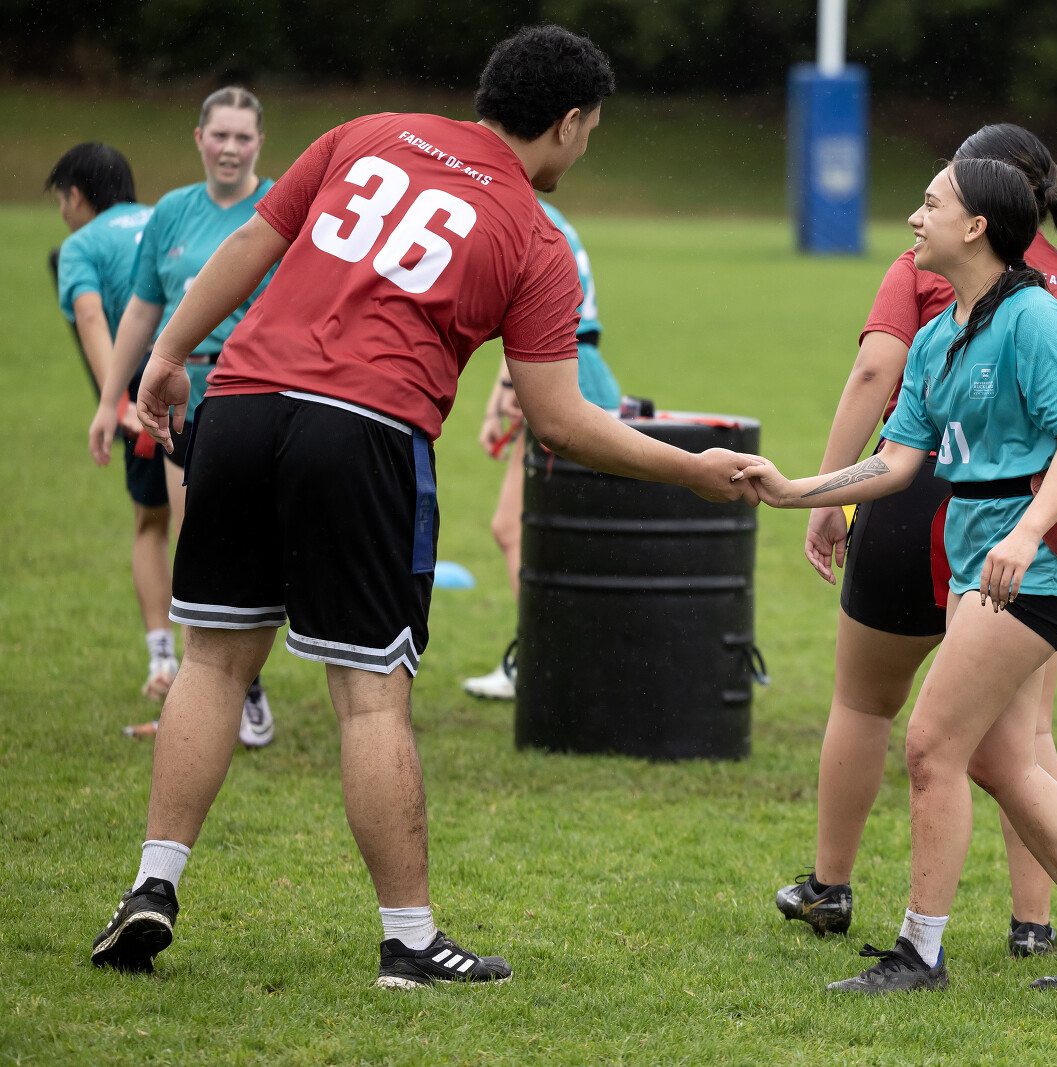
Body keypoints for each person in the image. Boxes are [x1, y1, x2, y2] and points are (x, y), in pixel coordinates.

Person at [88, 24, 758, 989]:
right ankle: (408, 940)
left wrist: (162, 358)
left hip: (239, 402)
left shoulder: (366, 132)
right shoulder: (535, 235)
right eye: (590, 131)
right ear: (567, 123)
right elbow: (561, 422)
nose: (584, 148)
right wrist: (691, 470)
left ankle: (152, 885)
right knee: (370, 694)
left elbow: (248, 244)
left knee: (214, 658)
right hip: (362, 432)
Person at [741, 158, 1057, 992]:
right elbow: (897, 461)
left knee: (931, 744)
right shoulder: (938, 336)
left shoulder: (1035, 318)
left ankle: (918, 953)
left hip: (1037, 564)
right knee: (1001, 762)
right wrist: (795, 491)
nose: (913, 217)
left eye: (930, 204)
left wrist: (1027, 533)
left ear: (976, 227)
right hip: (981, 559)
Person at [88, 86, 278, 746]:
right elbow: (143, 310)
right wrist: (110, 398)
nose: (230, 148)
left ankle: (243, 689)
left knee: (239, 544)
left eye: (243, 137)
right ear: (199, 138)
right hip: (177, 399)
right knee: (197, 544)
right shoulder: (171, 212)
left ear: (260, 143)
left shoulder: (281, 207)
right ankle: (221, 693)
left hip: (251, 396)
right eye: (219, 134)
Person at [464, 198, 621, 699]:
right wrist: (500, 401)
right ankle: (557, 659)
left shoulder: (521, 216)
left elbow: (530, 321)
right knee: (557, 538)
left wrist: (507, 397)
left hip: (562, 373)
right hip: (573, 368)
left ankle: (546, 661)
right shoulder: (544, 214)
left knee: (516, 528)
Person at [46, 144, 171, 705]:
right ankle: (234, 678)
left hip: (149, 385)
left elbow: (92, 315)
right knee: (211, 521)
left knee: (152, 525)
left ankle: (167, 663)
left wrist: (115, 400)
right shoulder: (169, 215)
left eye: (60, 199)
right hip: (213, 372)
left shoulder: (80, 246)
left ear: (75, 195)